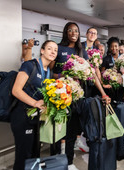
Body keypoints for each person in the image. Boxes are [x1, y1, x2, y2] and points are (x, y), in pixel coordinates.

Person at [52, 22, 110, 170]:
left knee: (71, 131)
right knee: (57, 133)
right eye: (70, 30)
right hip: (59, 95)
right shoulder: (59, 48)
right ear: (65, 32)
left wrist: (103, 93)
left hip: (76, 97)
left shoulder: (81, 50)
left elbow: (91, 73)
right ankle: (55, 162)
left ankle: (69, 162)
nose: (73, 33)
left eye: (76, 31)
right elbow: (51, 72)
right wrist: (63, 75)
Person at [11, 40, 57, 170]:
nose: (53, 51)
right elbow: (16, 90)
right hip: (22, 115)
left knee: (35, 153)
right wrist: (35, 103)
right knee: (23, 156)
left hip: (36, 118)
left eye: (55, 50)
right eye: (49, 48)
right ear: (42, 50)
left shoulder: (49, 72)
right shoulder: (29, 65)